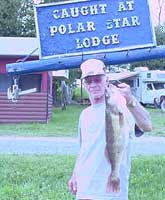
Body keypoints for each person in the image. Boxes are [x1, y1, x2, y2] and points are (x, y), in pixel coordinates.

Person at [68, 59, 152, 200]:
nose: (93, 84)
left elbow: (147, 126)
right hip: (85, 189)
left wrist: (130, 100)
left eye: (97, 79)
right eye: (89, 81)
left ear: (106, 81)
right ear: (84, 84)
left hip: (111, 191)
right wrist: (75, 174)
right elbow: (84, 149)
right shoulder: (84, 114)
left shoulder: (123, 109)